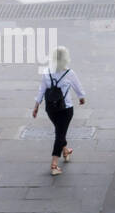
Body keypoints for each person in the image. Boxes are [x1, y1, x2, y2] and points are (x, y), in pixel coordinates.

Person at [32, 46, 85, 176]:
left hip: (51, 110)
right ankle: (54, 164)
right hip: (66, 109)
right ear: (66, 59)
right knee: (60, 134)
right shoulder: (69, 73)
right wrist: (81, 97)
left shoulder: (46, 72)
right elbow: (78, 87)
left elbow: (41, 90)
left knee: (59, 131)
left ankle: (66, 150)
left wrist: (36, 106)